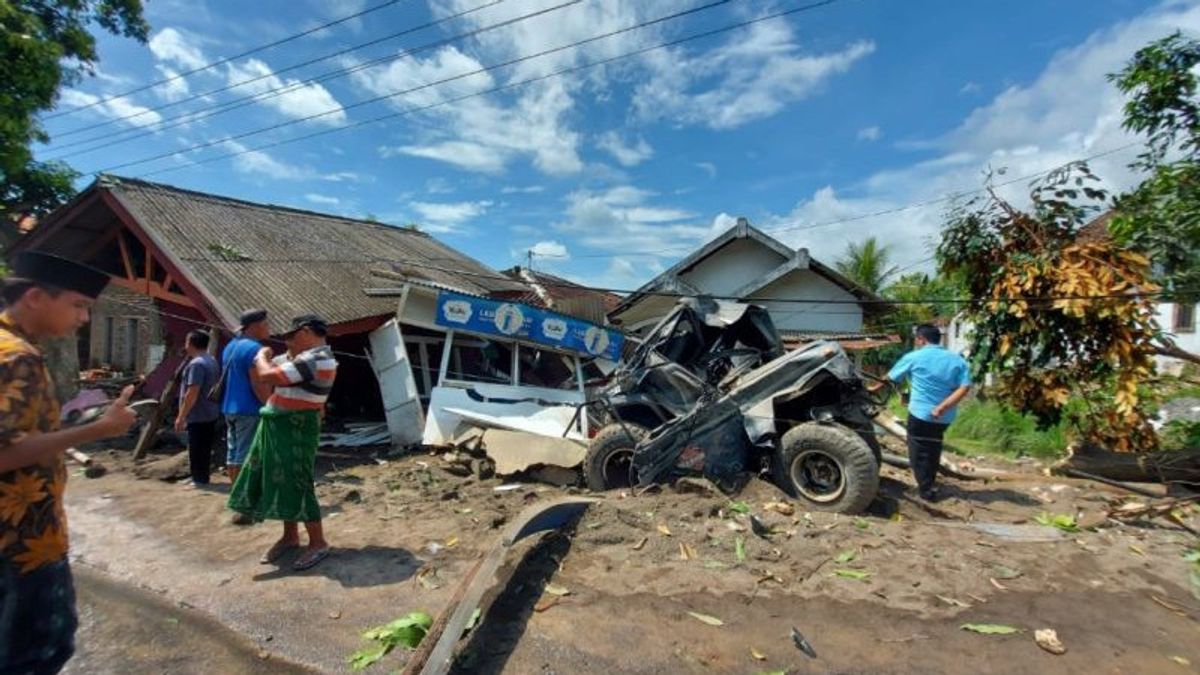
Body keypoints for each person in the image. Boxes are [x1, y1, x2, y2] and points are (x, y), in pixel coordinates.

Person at [0, 251, 138, 674]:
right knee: (36, 652)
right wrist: (97, 430)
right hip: (21, 540)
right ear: (37, 297)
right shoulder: (17, 356)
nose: (82, 318)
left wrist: (63, 423)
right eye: (79, 305)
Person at [228, 315, 338, 572]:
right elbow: (275, 369)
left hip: (296, 426)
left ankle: (318, 542)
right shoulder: (300, 359)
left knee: (298, 481)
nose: (287, 342)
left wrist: (260, 356)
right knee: (279, 479)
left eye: (291, 336)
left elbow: (267, 375)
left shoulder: (318, 359)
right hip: (279, 424)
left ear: (307, 332)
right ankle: (290, 536)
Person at [870, 323, 971, 502]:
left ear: (921, 339)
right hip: (945, 417)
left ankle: (926, 490)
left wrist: (871, 389)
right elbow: (964, 387)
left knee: (918, 451)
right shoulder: (956, 360)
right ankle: (929, 483)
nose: (916, 341)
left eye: (916, 338)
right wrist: (943, 407)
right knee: (933, 447)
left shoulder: (914, 357)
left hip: (921, 414)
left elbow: (889, 378)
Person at [221, 309, 271, 523]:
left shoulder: (231, 346)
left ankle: (237, 497)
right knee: (246, 456)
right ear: (255, 325)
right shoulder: (254, 350)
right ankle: (245, 505)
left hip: (229, 408)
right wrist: (270, 405)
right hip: (249, 409)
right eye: (265, 324)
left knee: (233, 454)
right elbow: (257, 382)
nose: (268, 328)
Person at [174, 330, 220, 486]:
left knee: (196, 446)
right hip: (211, 410)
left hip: (199, 412)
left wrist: (181, 416)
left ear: (191, 344)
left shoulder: (196, 364)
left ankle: (199, 479)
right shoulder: (211, 360)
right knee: (203, 446)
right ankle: (199, 476)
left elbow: (192, 391)